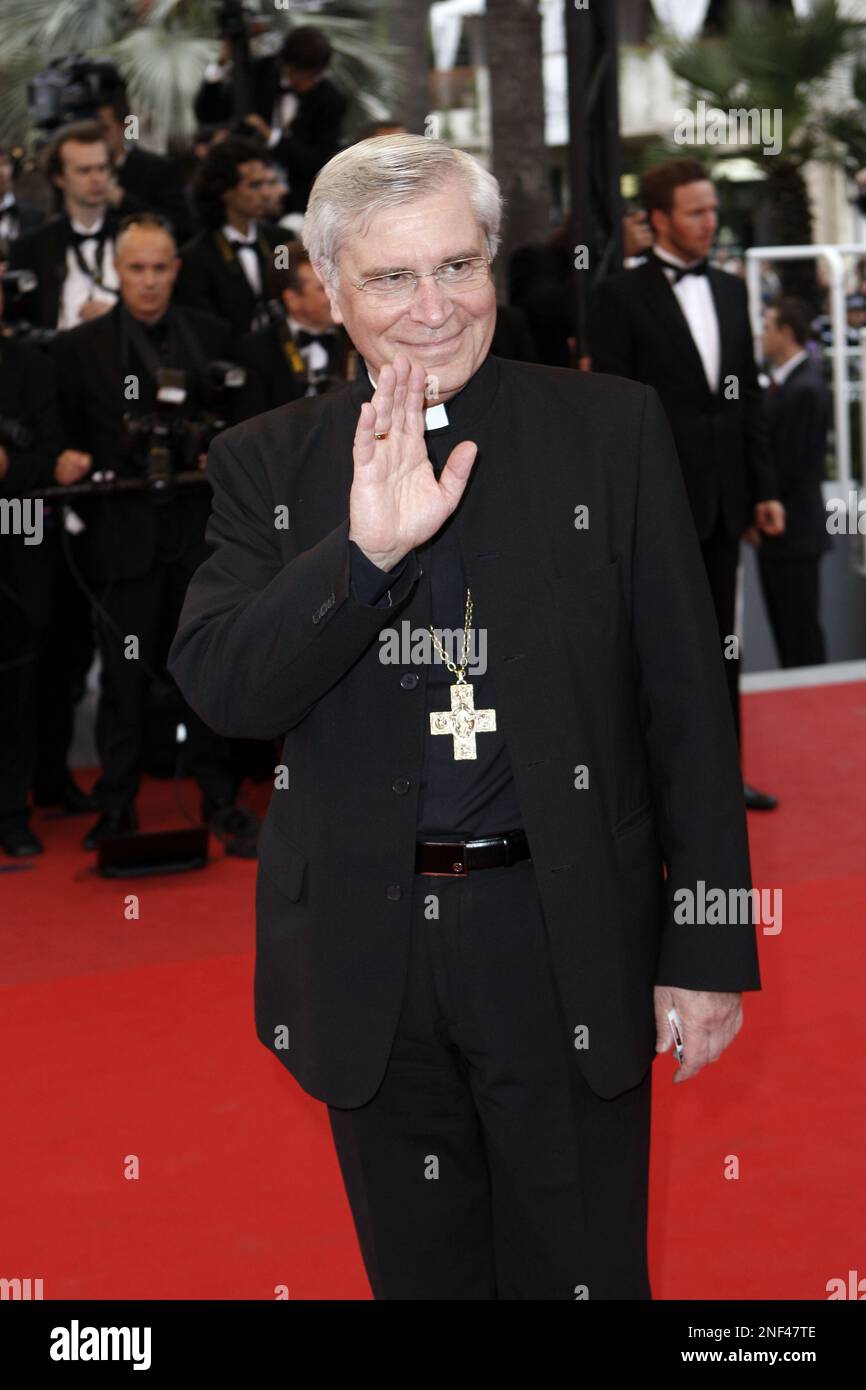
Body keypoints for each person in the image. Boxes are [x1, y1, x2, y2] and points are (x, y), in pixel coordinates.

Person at [167, 134, 760, 1301]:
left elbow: (689, 710)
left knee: (582, 1272)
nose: (433, 308)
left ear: (494, 263)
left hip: (563, 935)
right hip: (365, 954)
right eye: (391, 278)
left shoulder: (610, 430)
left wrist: (704, 946)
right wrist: (366, 555)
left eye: (458, 265)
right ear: (328, 289)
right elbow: (227, 688)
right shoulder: (263, 462)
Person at [54, 215, 257, 854]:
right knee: (123, 677)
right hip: (122, 537)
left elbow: (246, 433)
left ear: (177, 267)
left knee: (208, 665)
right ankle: (116, 804)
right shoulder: (79, 348)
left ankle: (218, 798)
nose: (149, 282)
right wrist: (71, 458)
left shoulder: (214, 337)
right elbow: (65, 438)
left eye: (160, 267)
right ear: (117, 269)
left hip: (201, 536)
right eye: (137, 268)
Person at [588, 158, 785, 812]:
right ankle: (653, 785)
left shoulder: (732, 290)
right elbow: (607, 413)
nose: (710, 221)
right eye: (696, 212)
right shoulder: (617, 297)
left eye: (713, 210)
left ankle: (723, 776)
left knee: (723, 645)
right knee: (655, 647)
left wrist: (764, 488)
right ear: (659, 220)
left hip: (725, 501)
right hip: (654, 502)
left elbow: (746, 399)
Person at [0, 281, 93, 856]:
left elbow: (57, 460)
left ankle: (12, 811)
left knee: (20, 687)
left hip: (17, 549)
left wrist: (12, 466)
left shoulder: (30, 364)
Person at [194, 26, 346, 215]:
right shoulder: (256, 74)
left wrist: (271, 136)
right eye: (305, 76)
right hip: (243, 195)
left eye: (315, 76)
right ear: (287, 66)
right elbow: (208, 112)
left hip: (300, 200)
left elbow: (321, 160)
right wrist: (221, 63)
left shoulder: (330, 98)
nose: (310, 83)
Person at [8, 122, 143, 330]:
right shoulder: (30, 248)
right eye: (84, 171)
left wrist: (117, 317)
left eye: (102, 168)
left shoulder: (136, 239)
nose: (96, 178)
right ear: (59, 178)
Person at [756, 299, 831, 668]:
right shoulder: (788, 385)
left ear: (786, 333)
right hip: (782, 534)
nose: (761, 335)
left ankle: (816, 714)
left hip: (795, 532)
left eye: (767, 327)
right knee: (788, 633)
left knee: (800, 635)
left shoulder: (805, 388)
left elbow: (792, 464)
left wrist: (762, 498)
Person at [175, 136, 286, 338]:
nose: (266, 193)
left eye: (266, 183)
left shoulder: (281, 242)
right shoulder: (196, 258)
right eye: (254, 185)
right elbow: (204, 329)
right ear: (225, 191)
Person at [233, 248, 350, 419]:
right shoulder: (255, 352)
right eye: (322, 288)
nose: (337, 295)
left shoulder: (358, 339)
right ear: (292, 299)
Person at [95, 88, 190, 243]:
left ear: (124, 126)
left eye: (104, 129)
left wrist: (121, 199)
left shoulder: (159, 168)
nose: (96, 137)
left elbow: (179, 227)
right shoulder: (70, 173)